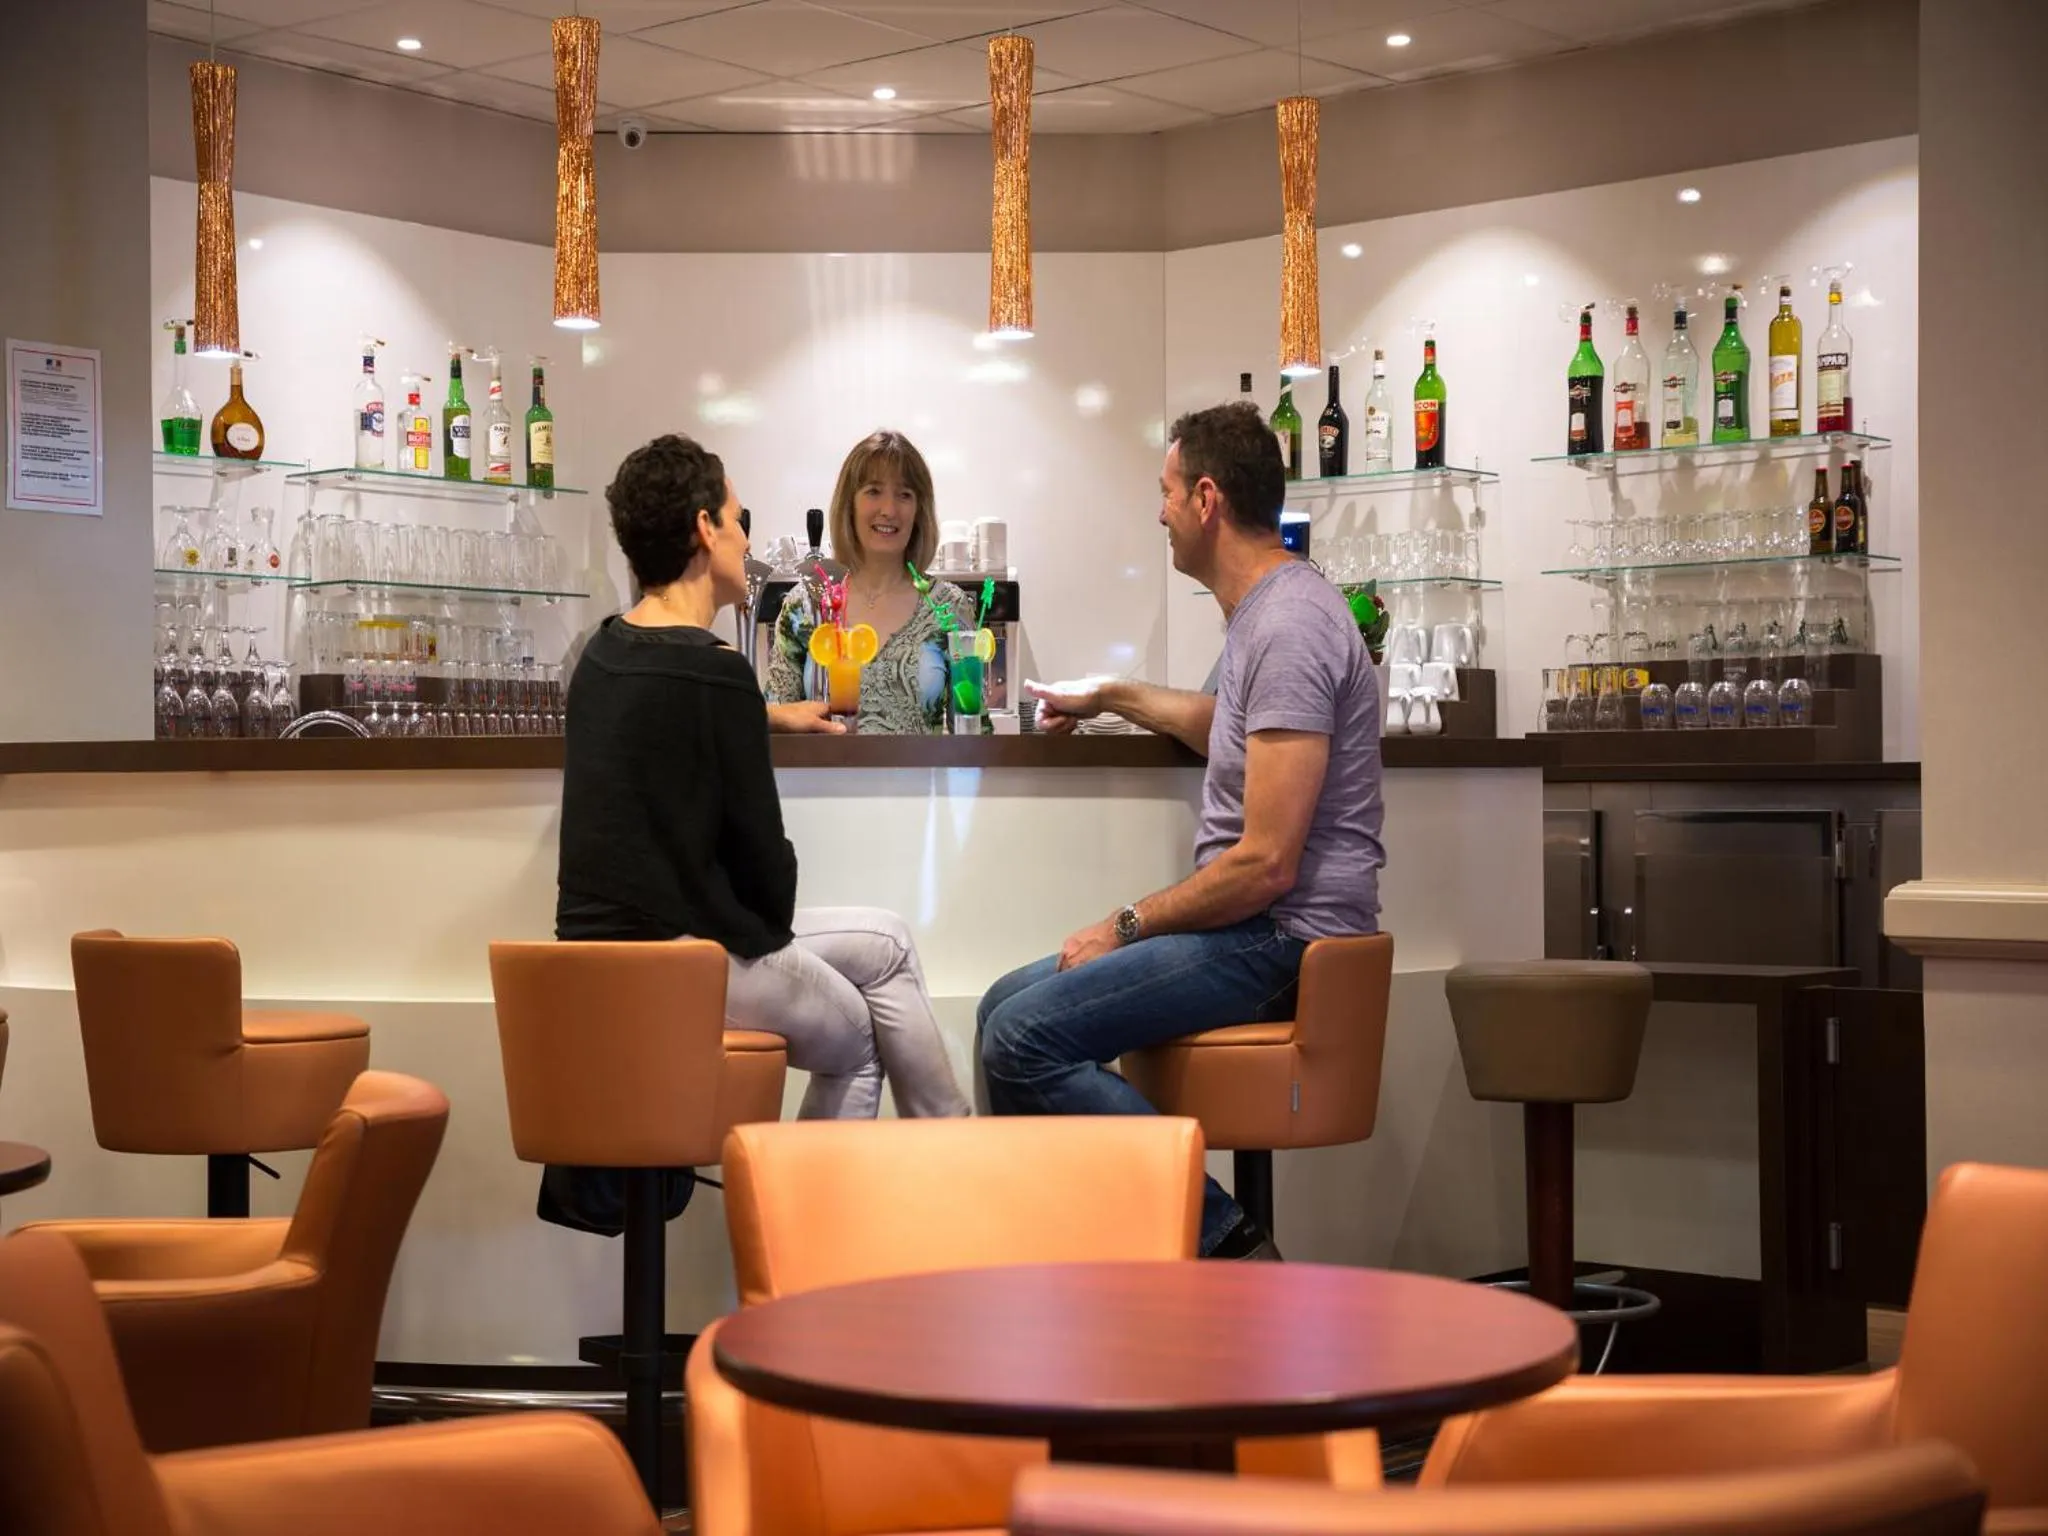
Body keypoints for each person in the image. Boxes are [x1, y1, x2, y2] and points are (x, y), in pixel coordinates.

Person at [976, 399, 1384, 1261]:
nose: (1156, 513)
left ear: (1206, 499)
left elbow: (1268, 863)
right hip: (1258, 932)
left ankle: (1224, 1246)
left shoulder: (1289, 625)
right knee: (1000, 1008)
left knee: (1022, 1039)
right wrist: (1111, 695)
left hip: (1285, 940)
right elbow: (1225, 729)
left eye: (1163, 492)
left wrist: (1124, 924)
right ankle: (1125, 1264)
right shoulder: (1266, 615)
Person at [557, 432, 972, 1134]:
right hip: (689, 961)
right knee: (861, 1041)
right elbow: (768, 895)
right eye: (736, 521)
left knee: (889, 941)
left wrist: (764, 715)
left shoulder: (600, 653)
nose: (745, 542)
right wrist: (750, 717)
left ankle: (951, 1141)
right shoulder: (716, 671)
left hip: (607, 966)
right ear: (703, 530)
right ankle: (825, 1221)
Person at [765, 431, 974, 735]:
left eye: (904, 494)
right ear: (849, 504)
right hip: (822, 783)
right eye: (874, 491)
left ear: (919, 511)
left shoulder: (947, 606)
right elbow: (776, 725)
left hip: (922, 783)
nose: (889, 509)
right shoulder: (806, 603)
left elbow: (972, 737)